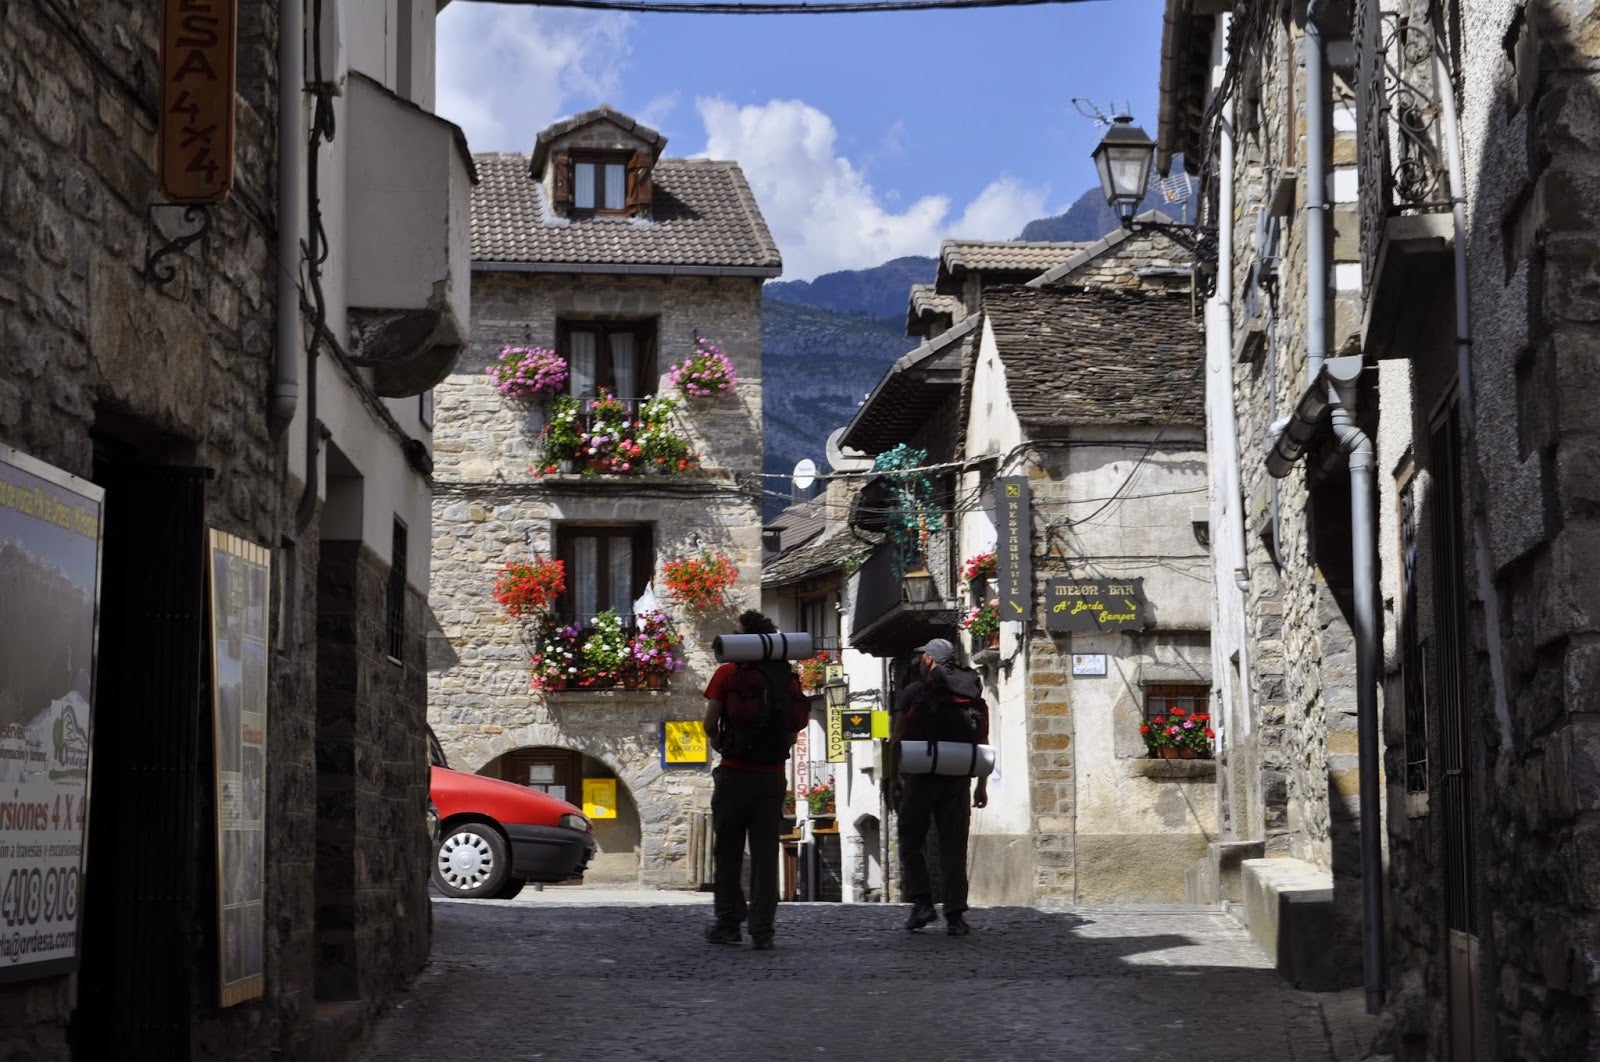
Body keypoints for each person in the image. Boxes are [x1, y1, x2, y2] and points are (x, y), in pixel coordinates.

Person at [701, 610, 809, 950]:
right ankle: (763, 930)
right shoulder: (787, 678)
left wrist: (722, 744)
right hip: (772, 779)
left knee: (729, 851)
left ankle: (728, 925)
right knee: (765, 855)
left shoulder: (728, 673)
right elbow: (794, 729)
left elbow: (709, 723)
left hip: (735, 774)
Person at [887, 637, 988, 936]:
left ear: (929, 660)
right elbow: (983, 741)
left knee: (909, 838)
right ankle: (955, 916)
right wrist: (981, 785)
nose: (919, 661)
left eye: (922, 657)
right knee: (954, 846)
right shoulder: (971, 692)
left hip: (921, 776)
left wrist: (894, 778)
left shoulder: (914, 692)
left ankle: (922, 904)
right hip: (958, 778)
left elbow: (896, 738)